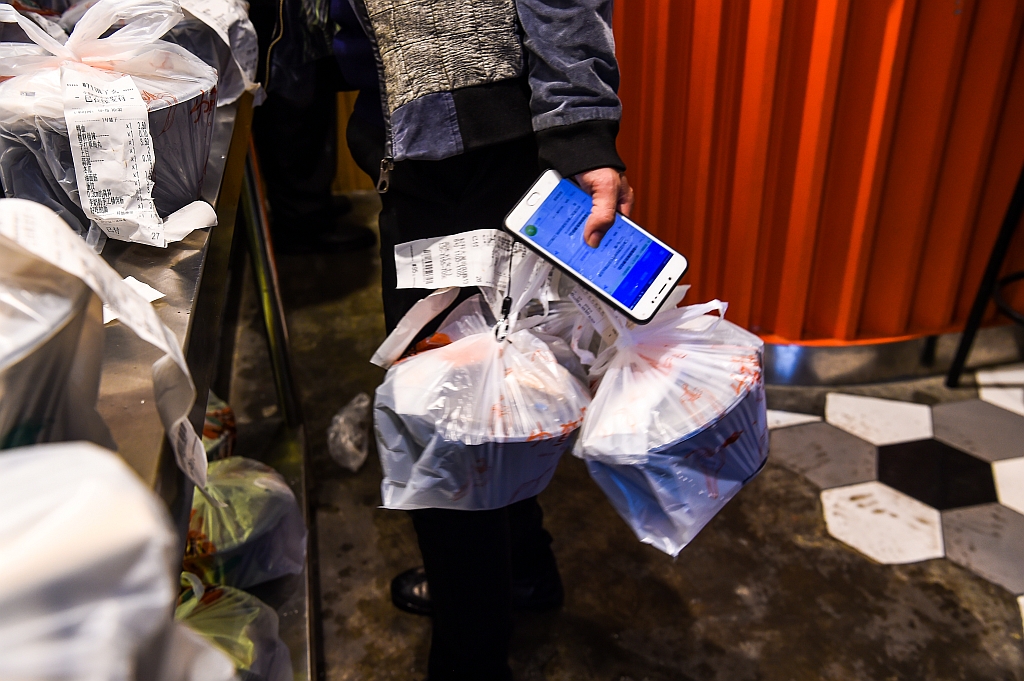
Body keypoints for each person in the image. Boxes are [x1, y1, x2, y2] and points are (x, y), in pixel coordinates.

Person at [334, 2, 634, 678]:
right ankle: (524, 570)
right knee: (504, 392)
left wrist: (584, 132)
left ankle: (471, 658)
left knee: (448, 422)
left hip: (466, 154)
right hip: (445, 140)